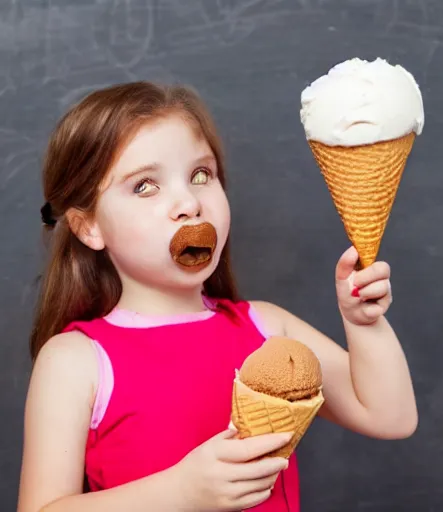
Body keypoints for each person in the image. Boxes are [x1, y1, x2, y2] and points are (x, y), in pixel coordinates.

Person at [17, 82, 417, 512]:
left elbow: (390, 417)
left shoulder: (268, 329)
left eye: (201, 175)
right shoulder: (75, 359)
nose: (189, 203)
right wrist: (180, 493)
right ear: (88, 227)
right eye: (145, 186)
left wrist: (364, 324)